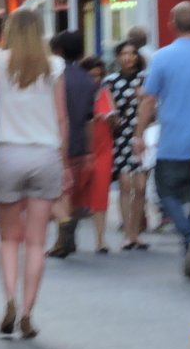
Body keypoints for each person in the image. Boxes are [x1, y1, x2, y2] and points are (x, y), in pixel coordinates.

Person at [0, 7, 68, 340]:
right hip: (45, 155)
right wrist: (64, 161)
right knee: (35, 242)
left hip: (6, 154)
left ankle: (10, 301)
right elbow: (62, 118)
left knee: (9, 239)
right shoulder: (55, 66)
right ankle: (29, 311)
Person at [133, 2, 190, 279]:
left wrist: (139, 135)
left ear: (172, 22)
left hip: (172, 141)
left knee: (166, 193)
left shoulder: (162, 58)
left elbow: (149, 99)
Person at [48, 30, 101, 259]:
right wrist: (90, 149)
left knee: (60, 191)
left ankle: (62, 238)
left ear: (57, 50)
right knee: (74, 191)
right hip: (81, 139)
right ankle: (69, 235)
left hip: (58, 139)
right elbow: (91, 116)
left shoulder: (55, 78)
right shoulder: (88, 79)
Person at [105, 41, 150, 250]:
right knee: (124, 184)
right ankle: (128, 234)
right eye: (123, 54)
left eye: (132, 54)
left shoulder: (145, 79)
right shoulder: (111, 81)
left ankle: (136, 231)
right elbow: (109, 111)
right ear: (118, 57)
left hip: (142, 135)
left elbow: (153, 106)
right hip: (121, 136)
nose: (128, 58)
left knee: (140, 186)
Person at [79, 55, 116, 253]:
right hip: (82, 149)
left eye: (98, 75)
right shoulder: (77, 93)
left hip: (103, 148)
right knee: (75, 194)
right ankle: (66, 237)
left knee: (100, 194)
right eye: (91, 75)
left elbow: (114, 119)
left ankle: (100, 239)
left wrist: (110, 117)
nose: (95, 79)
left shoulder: (104, 92)